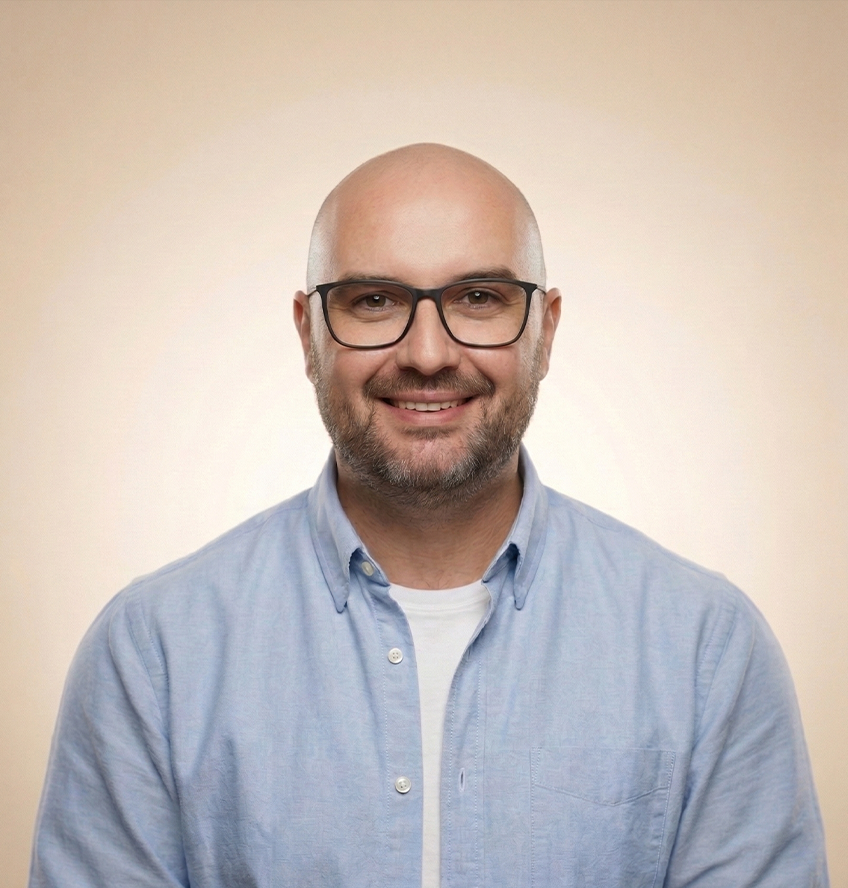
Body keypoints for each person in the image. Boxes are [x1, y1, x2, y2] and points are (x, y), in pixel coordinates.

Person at [30, 144, 828, 887]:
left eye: (478, 298)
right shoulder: (153, 654)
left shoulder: (705, 650)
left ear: (545, 331)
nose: (427, 353)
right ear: (308, 333)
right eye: (374, 301)